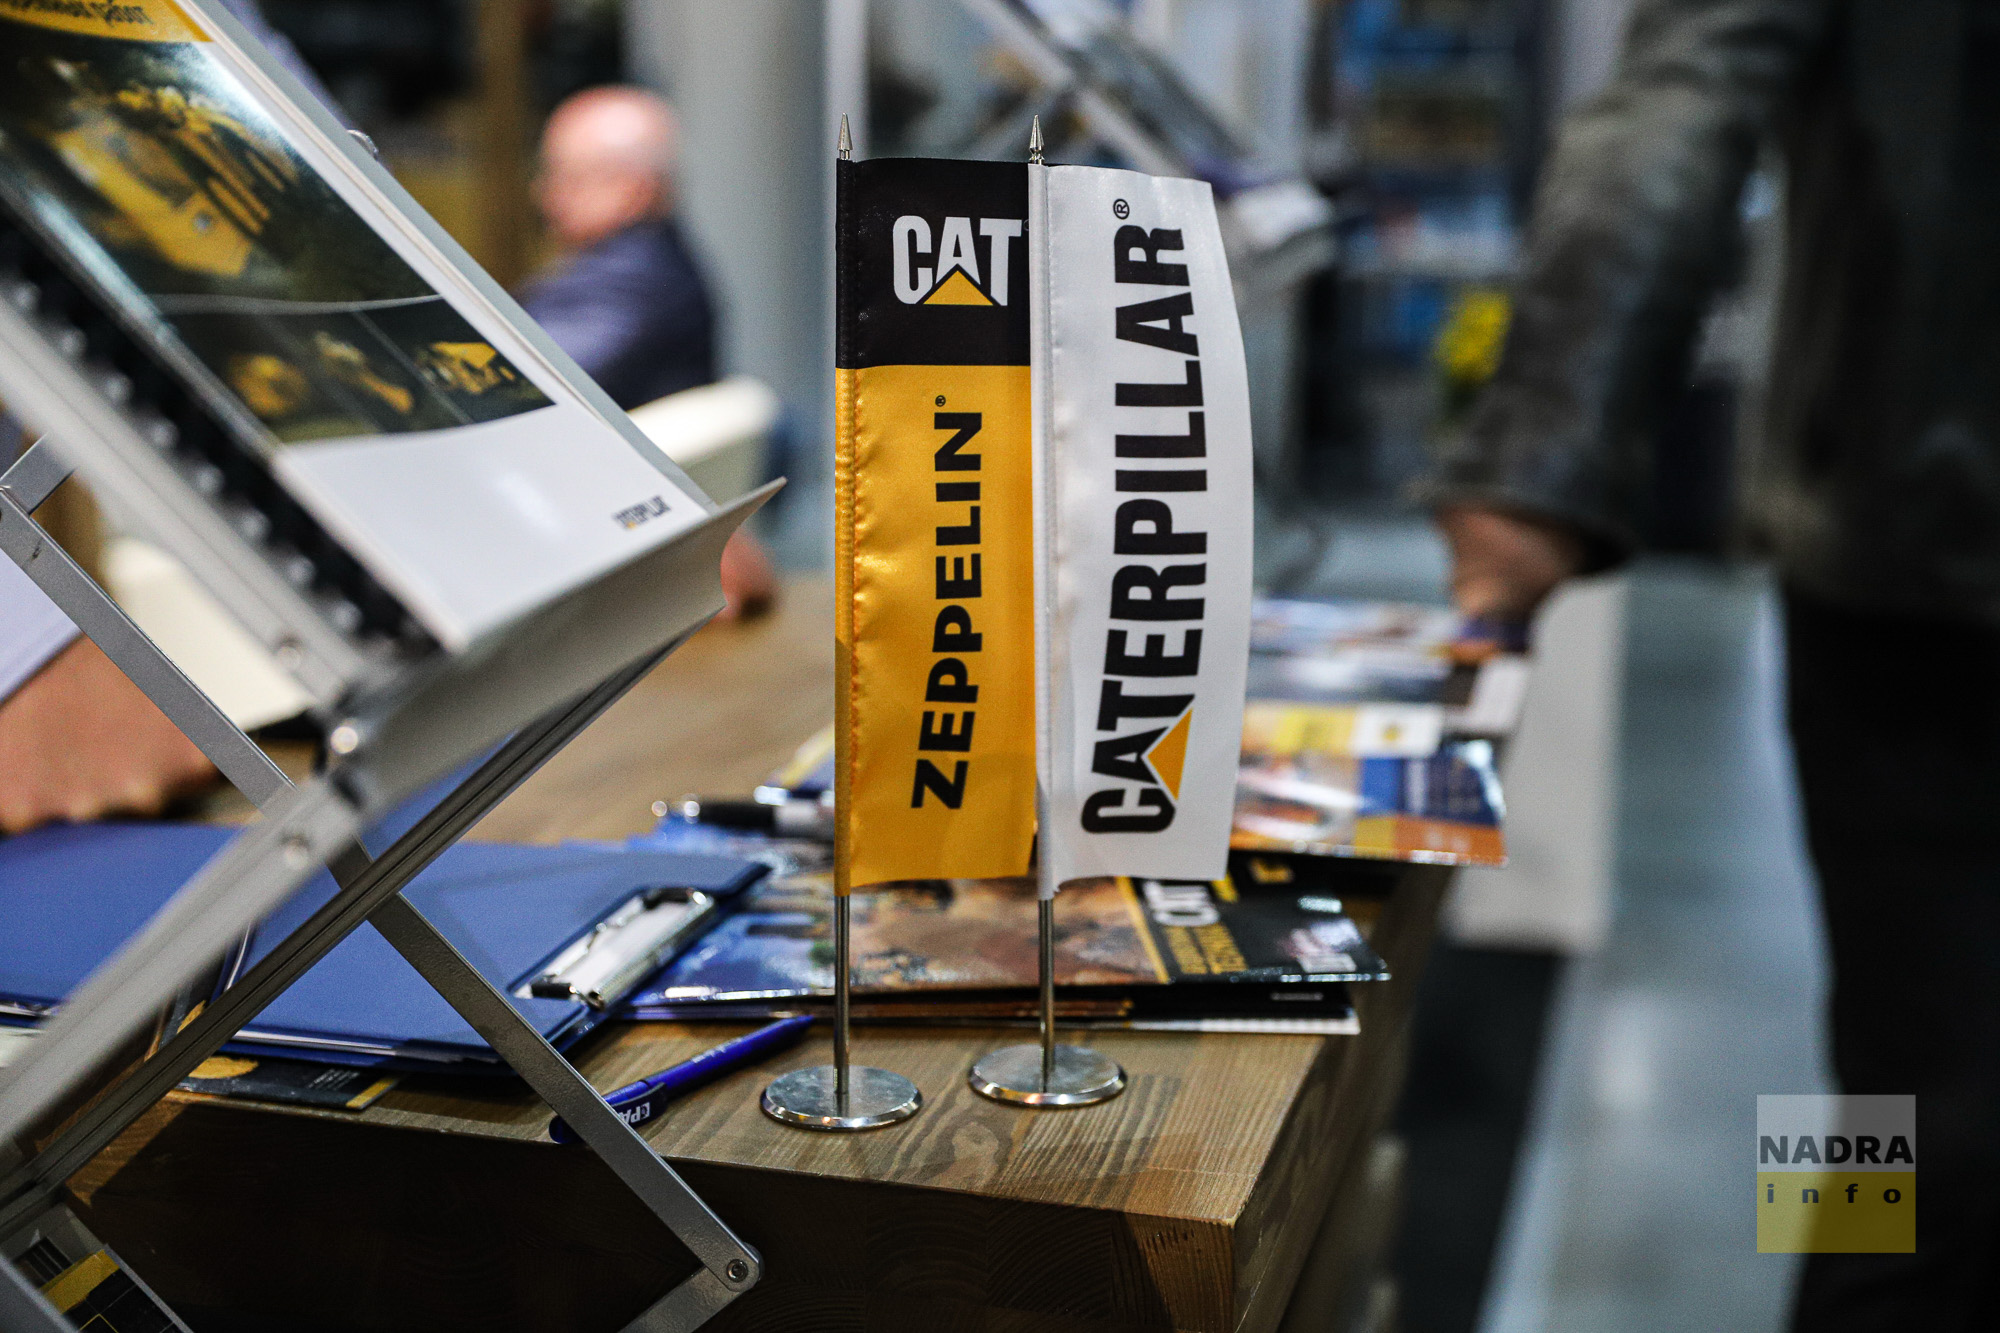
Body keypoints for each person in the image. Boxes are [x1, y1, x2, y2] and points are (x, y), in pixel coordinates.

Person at [1426, 1, 2000, 1327]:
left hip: (1892, 540)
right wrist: (1541, 452)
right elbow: (1672, 105)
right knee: (1908, 1102)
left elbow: (1671, 94)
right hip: (1905, 573)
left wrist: (1536, 455)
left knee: (1911, 1090)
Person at [520, 85, 775, 619]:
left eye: (566, 175)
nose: (544, 194)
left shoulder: (630, 282)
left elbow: (518, 383)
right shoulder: (652, 267)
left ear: (634, 186)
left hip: (594, 538)